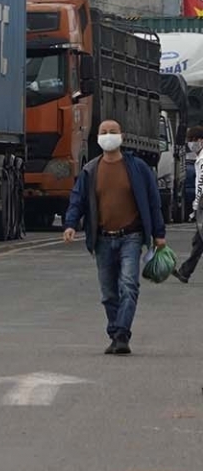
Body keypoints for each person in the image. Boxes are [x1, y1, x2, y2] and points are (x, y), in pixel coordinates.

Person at [64, 119, 167, 353]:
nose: (108, 135)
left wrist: (159, 234)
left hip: (131, 236)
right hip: (102, 239)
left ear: (121, 136)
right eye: (103, 132)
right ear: (97, 137)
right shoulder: (90, 170)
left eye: (112, 132)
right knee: (108, 292)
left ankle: (122, 334)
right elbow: (77, 200)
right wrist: (70, 224)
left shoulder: (138, 168)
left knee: (129, 285)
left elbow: (153, 202)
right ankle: (115, 332)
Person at [180, 126, 203, 284]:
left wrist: (196, 206)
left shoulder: (202, 160)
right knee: (199, 239)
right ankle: (185, 271)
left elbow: (201, 183)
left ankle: (185, 271)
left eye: (193, 141)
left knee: (200, 239)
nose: (191, 144)